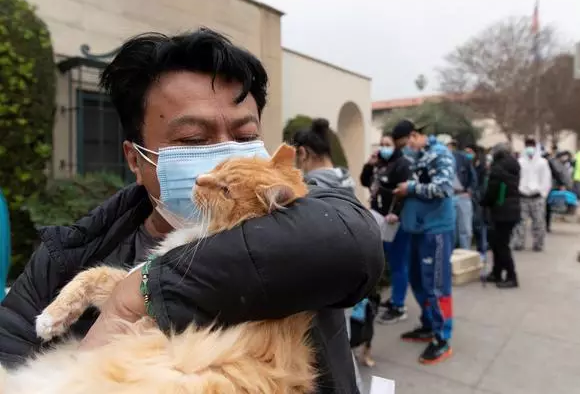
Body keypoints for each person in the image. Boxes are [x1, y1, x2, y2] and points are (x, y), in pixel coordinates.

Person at [0, 29, 383, 394]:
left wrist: (141, 290)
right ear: (135, 160)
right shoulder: (63, 256)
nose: (224, 157)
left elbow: (353, 243)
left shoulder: (295, 211)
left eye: (247, 137)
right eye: (193, 140)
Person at [291, 117, 365, 389]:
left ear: (303, 153)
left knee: (330, 346)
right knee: (341, 339)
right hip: (350, 273)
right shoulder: (345, 178)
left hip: (324, 280)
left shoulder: (310, 189)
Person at [392, 121, 455, 365]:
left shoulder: (440, 154)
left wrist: (410, 188)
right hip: (417, 228)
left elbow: (444, 187)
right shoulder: (418, 156)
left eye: (407, 142)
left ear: (415, 136)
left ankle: (442, 337)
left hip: (436, 230)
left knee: (437, 284)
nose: (405, 148)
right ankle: (429, 324)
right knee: (418, 280)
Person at [359, 130, 411, 325]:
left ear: (395, 145)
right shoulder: (380, 163)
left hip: (394, 220)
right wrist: (368, 165)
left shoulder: (402, 164)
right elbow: (365, 182)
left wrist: (397, 212)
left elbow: (405, 191)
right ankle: (392, 299)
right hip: (378, 217)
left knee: (398, 263)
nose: (383, 148)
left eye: (387, 144)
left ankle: (399, 305)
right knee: (384, 260)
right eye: (381, 144)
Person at [481, 143, 521, 288]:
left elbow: (492, 190)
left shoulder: (497, 169)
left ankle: (512, 276)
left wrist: (484, 202)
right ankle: (496, 272)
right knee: (499, 243)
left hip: (501, 210)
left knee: (501, 245)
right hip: (511, 209)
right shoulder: (513, 166)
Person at [511, 138, 552, 252]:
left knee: (538, 222)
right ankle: (519, 243)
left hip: (537, 196)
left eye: (532, 146)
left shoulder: (542, 162)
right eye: (527, 146)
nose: (530, 149)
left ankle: (538, 244)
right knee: (520, 222)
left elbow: (546, 180)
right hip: (522, 196)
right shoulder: (520, 162)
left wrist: (543, 194)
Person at [447, 140, 478, 250]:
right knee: (450, 230)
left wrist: (469, 191)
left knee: (465, 230)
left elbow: (473, 177)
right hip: (448, 197)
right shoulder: (437, 160)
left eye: (449, 145)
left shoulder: (462, 158)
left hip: (462, 196)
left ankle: (466, 254)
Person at [466, 144, 488, 254]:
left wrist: (476, 194)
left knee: (479, 224)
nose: (468, 154)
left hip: (478, 199)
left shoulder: (481, 166)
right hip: (469, 197)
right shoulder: (467, 165)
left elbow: (483, 185)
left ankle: (482, 249)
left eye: (470, 152)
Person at [543, 148, 571, 233]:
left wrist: (562, 184)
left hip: (546, 187)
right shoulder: (551, 163)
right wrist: (562, 184)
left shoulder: (549, 163)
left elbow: (556, 174)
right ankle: (546, 226)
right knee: (547, 207)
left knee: (547, 207)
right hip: (547, 187)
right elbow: (557, 174)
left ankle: (545, 225)